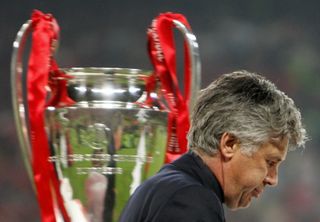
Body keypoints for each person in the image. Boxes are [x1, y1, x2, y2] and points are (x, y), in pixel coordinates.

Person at [119, 70, 307, 222]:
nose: (273, 179)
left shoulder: (169, 185)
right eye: (270, 162)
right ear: (229, 144)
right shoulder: (190, 200)